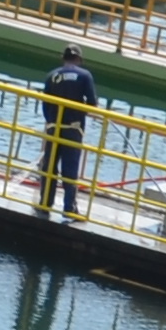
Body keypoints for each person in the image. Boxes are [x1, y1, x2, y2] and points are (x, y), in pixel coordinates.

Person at [37, 46, 100, 217]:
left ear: (63, 58)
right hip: (73, 128)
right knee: (70, 169)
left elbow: (45, 106)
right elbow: (92, 103)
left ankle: (44, 203)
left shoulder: (52, 76)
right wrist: (80, 113)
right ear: (79, 59)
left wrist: (52, 120)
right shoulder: (85, 76)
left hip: (53, 128)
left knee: (49, 167)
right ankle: (69, 208)